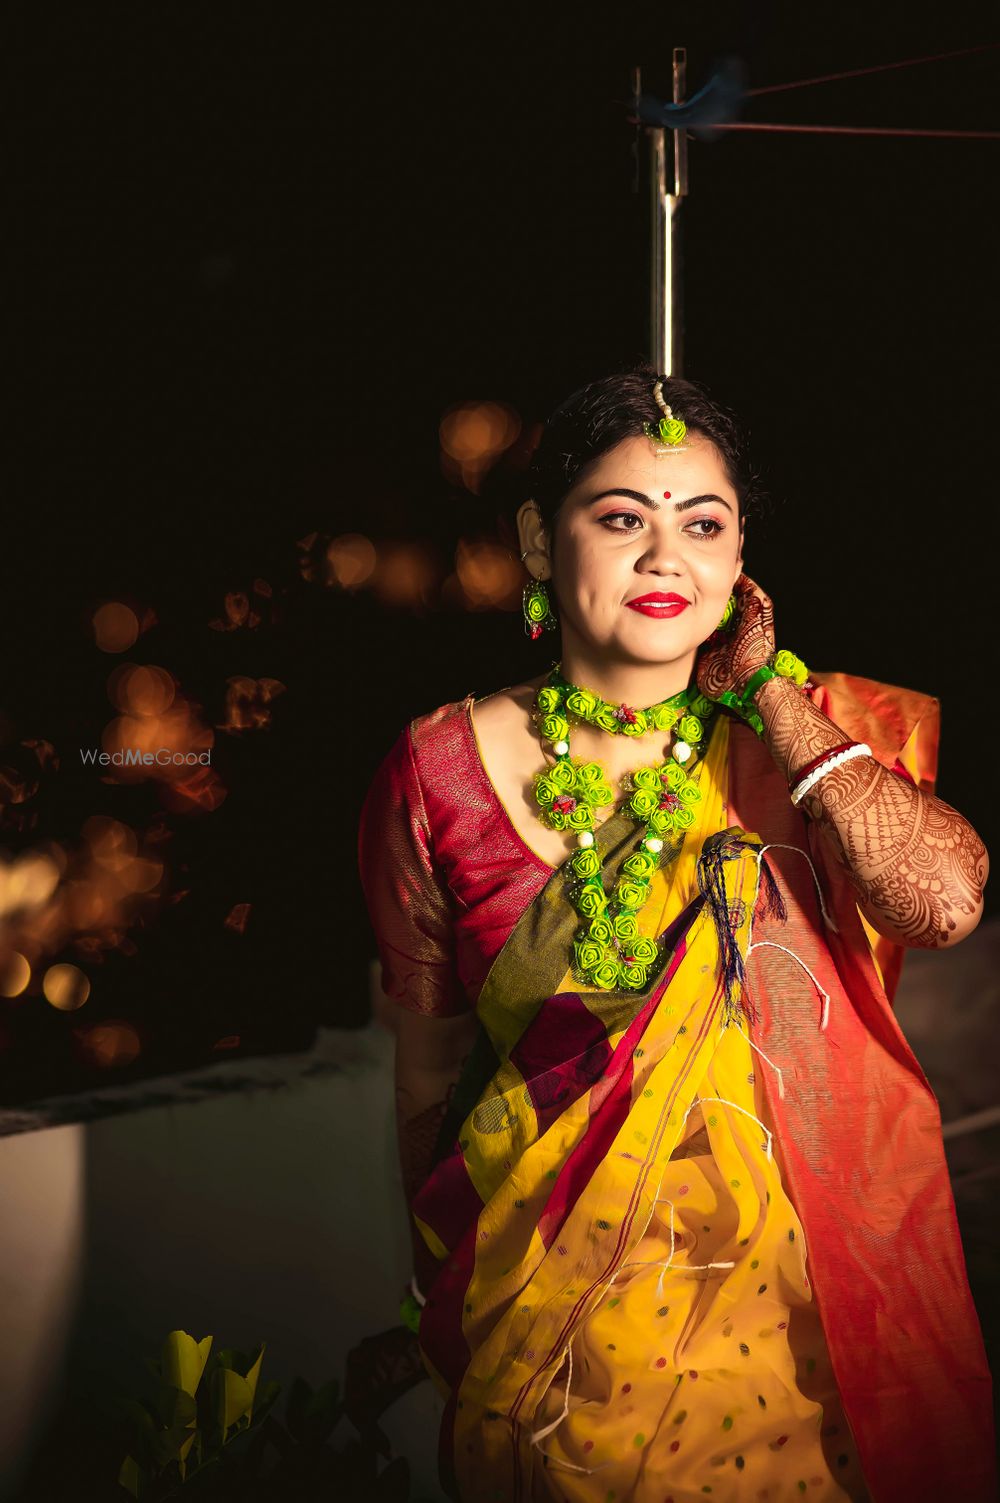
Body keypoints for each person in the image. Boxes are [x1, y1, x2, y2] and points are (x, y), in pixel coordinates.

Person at [357, 366, 995, 1503]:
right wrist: (441, 1294)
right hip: (543, 1322)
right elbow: (428, 1069)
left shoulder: (804, 744)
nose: (666, 559)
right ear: (539, 543)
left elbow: (940, 903)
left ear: (740, 558)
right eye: (618, 518)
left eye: (703, 523)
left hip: (791, 1330)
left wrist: (775, 703)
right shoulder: (437, 772)